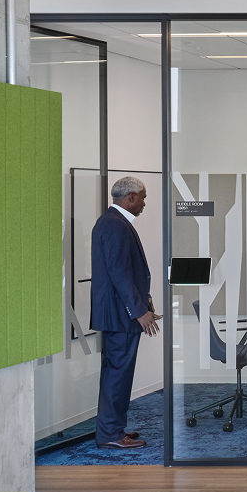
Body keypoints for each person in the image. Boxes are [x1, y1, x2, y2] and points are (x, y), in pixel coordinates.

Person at [89, 175, 158, 450]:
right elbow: (120, 273)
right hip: (121, 315)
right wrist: (139, 310)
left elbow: (124, 272)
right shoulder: (115, 225)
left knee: (116, 373)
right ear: (130, 197)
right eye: (142, 197)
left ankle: (113, 429)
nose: (143, 203)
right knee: (118, 374)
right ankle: (109, 434)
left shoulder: (112, 222)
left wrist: (143, 300)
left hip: (119, 313)